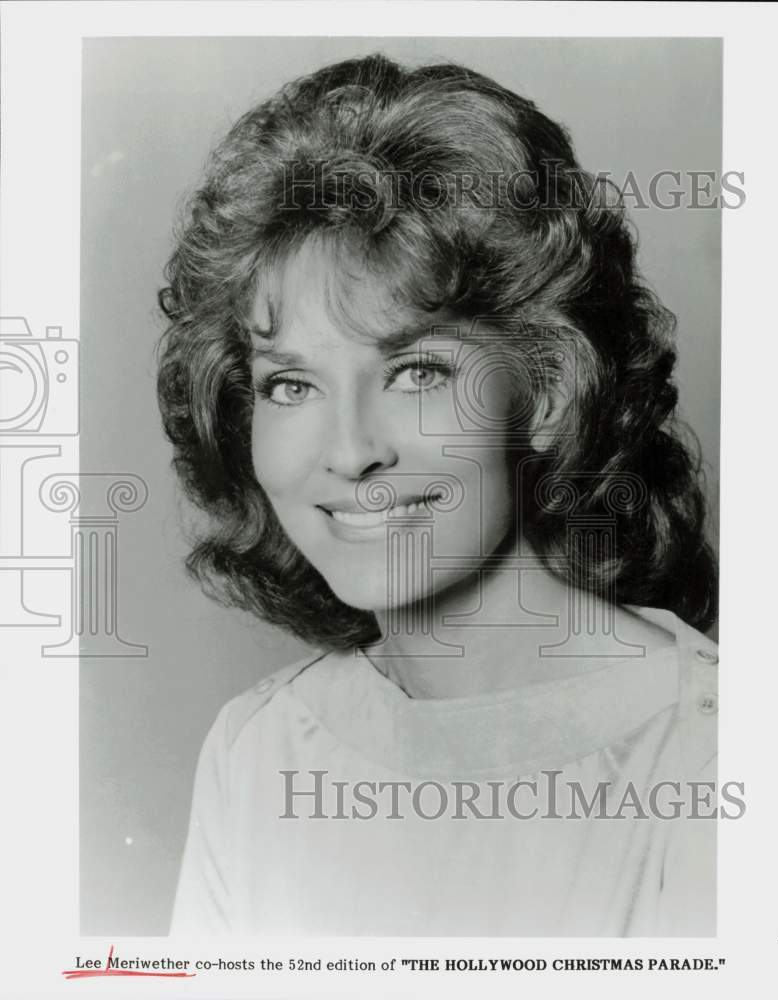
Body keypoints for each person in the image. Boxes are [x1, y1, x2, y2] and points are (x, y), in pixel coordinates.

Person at [157, 54, 719, 936]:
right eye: (291, 385)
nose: (349, 453)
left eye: (417, 371)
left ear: (543, 391)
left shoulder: (714, 751)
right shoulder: (260, 752)